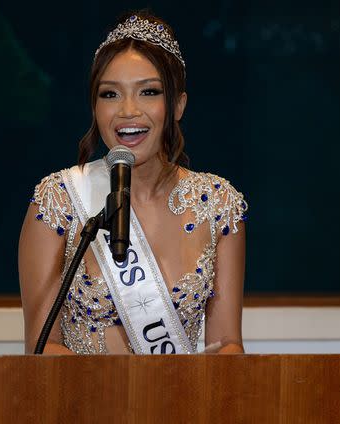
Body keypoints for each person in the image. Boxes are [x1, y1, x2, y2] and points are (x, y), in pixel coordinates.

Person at [18, 11, 248, 355]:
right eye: (110, 94)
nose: (128, 111)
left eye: (148, 92)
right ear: (94, 106)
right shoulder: (59, 199)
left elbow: (227, 345)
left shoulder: (217, 203)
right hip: (83, 404)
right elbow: (41, 347)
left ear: (177, 105)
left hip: (180, 404)